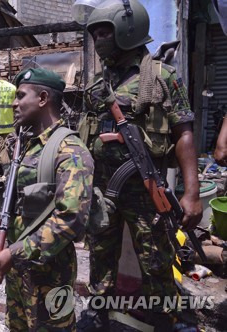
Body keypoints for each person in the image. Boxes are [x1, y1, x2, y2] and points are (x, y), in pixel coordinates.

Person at [77, 0, 202, 330]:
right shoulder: (97, 83)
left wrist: (192, 193)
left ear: (127, 32)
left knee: (156, 258)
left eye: (105, 32)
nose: (99, 40)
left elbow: (184, 133)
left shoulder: (160, 78)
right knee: (101, 252)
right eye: (96, 34)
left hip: (146, 192)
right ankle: (99, 308)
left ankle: (164, 316)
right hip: (103, 189)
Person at [0, 68, 94, 331]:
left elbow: (71, 220)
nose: (13, 103)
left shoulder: (69, 151)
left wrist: (14, 252)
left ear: (43, 98)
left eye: (21, 96)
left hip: (51, 276)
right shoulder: (24, 147)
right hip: (18, 272)